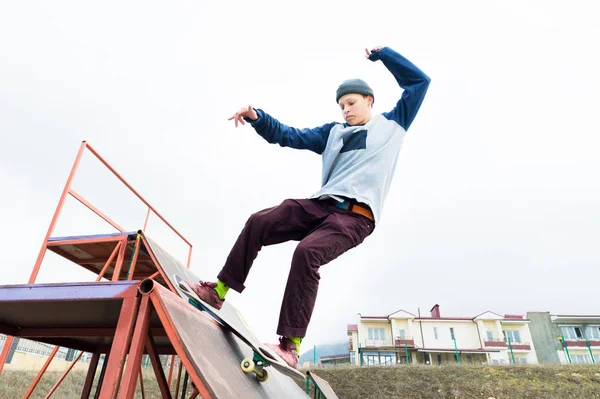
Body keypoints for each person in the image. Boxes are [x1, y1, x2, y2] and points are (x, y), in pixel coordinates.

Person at [187, 45, 430, 369]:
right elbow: (289, 135)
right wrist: (258, 118)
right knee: (259, 222)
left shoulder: (394, 124)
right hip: (319, 205)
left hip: (355, 217)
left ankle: (290, 345)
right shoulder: (332, 133)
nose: (345, 110)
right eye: (342, 105)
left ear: (369, 101)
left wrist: (384, 54)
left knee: (307, 253)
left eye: (351, 103)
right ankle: (218, 291)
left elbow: (419, 83)